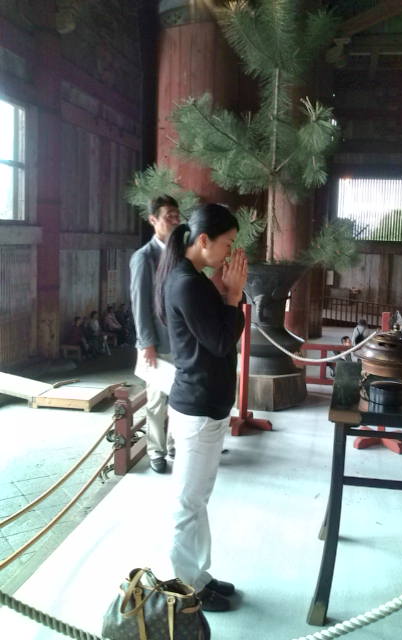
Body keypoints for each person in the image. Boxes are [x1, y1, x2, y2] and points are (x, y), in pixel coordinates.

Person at [157, 203, 247, 612]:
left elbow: (215, 334)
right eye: (228, 243)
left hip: (206, 403)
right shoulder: (186, 283)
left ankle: (200, 574)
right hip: (197, 406)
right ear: (204, 240)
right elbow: (221, 341)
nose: (230, 253)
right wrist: (234, 297)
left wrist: (225, 294)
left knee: (197, 500)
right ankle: (183, 586)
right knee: (187, 504)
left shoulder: (193, 279)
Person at [130, 195, 180, 473]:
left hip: (180, 340)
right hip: (157, 343)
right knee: (157, 399)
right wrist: (146, 342)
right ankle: (156, 451)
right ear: (153, 220)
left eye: (176, 215)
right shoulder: (144, 257)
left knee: (178, 397)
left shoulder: (178, 254)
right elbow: (140, 303)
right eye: (168, 215)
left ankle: (173, 444)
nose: (175, 220)